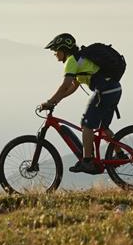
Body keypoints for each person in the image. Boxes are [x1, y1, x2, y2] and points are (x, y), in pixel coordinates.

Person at [40, 33, 122, 174]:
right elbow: (73, 87)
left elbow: (65, 85)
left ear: (63, 49)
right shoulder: (80, 59)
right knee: (103, 128)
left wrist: (50, 102)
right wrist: (56, 101)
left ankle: (87, 161)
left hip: (104, 91)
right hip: (114, 89)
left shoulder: (72, 61)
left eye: (55, 51)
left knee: (86, 124)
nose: (55, 55)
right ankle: (120, 155)